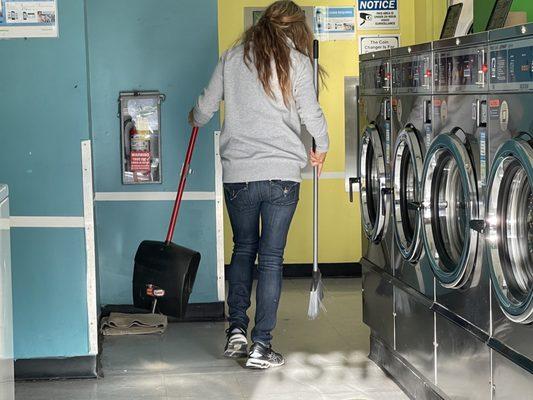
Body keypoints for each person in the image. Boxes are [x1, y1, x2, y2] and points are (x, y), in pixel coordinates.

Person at [189, 0, 329, 369]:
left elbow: (204, 108)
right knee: (271, 258)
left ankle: (236, 330)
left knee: (243, 249)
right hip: (282, 174)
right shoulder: (298, 62)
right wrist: (322, 147)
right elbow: (311, 113)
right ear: (295, 28)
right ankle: (261, 346)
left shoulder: (232, 58)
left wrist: (195, 115)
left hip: (239, 174)